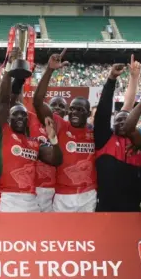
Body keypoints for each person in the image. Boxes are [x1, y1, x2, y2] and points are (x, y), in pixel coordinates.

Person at [0, 65, 62, 212]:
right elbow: (4, 102)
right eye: (15, 114)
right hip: (9, 199)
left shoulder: (34, 143)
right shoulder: (2, 134)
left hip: (31, 199)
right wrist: (9, 71)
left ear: (27, 120)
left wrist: (54, 140)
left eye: (23, 115)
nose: (19, 117)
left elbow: (56, 160)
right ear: (8, 119)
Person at [33, 52, 96, 212]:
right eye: (72, 109)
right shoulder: (60, 125)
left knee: (86, 237)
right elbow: (38, 102)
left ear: (88, 114)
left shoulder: (94, 133)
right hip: (63, 195)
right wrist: (50, 70)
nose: (75, 112)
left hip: (88, 194)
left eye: (80, 110)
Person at [94, 57, 141, 214]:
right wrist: (111, 79)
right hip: (105, 209)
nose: (122, 122)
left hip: (132, 210)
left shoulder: (140, 147)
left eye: (126, 120)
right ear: (112, 124)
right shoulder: (105, 139)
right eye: (118, 120)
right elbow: (103, 111)